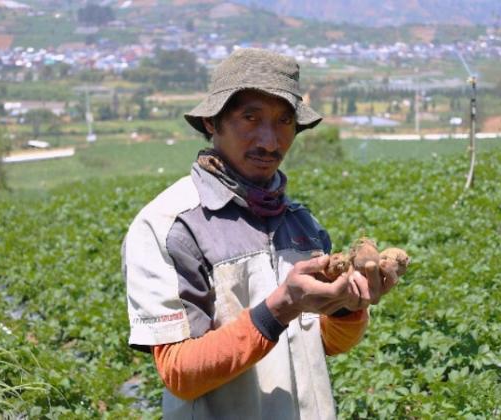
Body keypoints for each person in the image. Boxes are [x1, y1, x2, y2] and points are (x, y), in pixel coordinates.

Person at [123, 48, 399, 419]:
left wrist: (349, 305)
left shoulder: (301, 224)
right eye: (249, 118)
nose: (270, 142)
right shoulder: (171, 226)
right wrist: (281, 307)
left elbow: (320, 344)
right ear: (212, 122)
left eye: (284, 122)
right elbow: (179, 373)